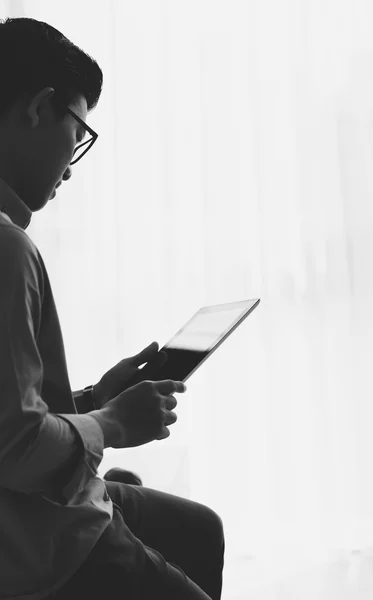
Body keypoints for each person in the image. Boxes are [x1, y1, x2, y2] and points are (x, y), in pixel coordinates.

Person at [0, 17, 224, 600]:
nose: (73, 164)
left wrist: (95, 400)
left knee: (200, 529)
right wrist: (114, 424)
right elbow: (15, 447)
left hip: (40, 502)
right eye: (79, 133)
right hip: (38, 539)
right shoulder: (5, 246)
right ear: (39, 108)